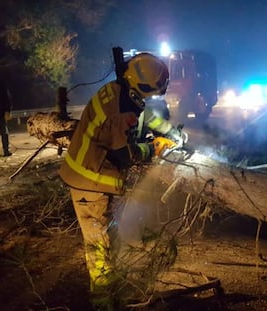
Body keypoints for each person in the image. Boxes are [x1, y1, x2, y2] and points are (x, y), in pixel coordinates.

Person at [59, 52, 183, 307]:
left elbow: (146, 116)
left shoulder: (120, 89)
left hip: (89, 175)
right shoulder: (120, 110)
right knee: (100, 249)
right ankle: (104, 302)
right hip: (89, 180)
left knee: (107, 240)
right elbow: (126, 155)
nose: (152, 97)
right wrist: (154, 149)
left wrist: (170, 131)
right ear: (143, 86)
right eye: (152, 92)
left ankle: (111, 290)